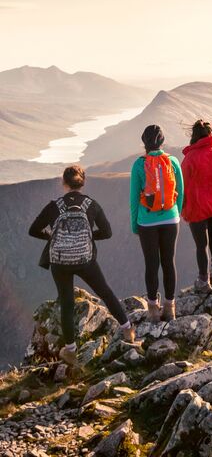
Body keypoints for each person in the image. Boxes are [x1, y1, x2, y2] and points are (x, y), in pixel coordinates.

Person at [29, 165, 134, 366]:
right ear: (82, 182)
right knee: (105, 292)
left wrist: (52, 236)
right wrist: (88, 235)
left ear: (64, 183)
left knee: (67, 304)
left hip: (59, 262)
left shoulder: (54, 206)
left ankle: (70, 351)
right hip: (86, 260)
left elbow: (33, 230)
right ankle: (128, 329)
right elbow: (107, 232)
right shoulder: (91, 205)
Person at [130, 124, 183, 323]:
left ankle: (152, 310)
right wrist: (176, 213)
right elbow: (181, 192)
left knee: (151, 264)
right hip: (171, 219)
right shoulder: (173, 161)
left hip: (147, 222)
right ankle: (170, 308)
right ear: (162, 141)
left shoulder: (138, 165)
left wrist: (136, 224)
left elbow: (134, 198)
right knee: (169, 262)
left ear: (144, 142)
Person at [181, 119, 212, 293]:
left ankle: (204, 280)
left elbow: (183, 185)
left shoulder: (189, 158)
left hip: (197, 207)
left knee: (201, 244)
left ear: (194, 136)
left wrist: (183, 207)